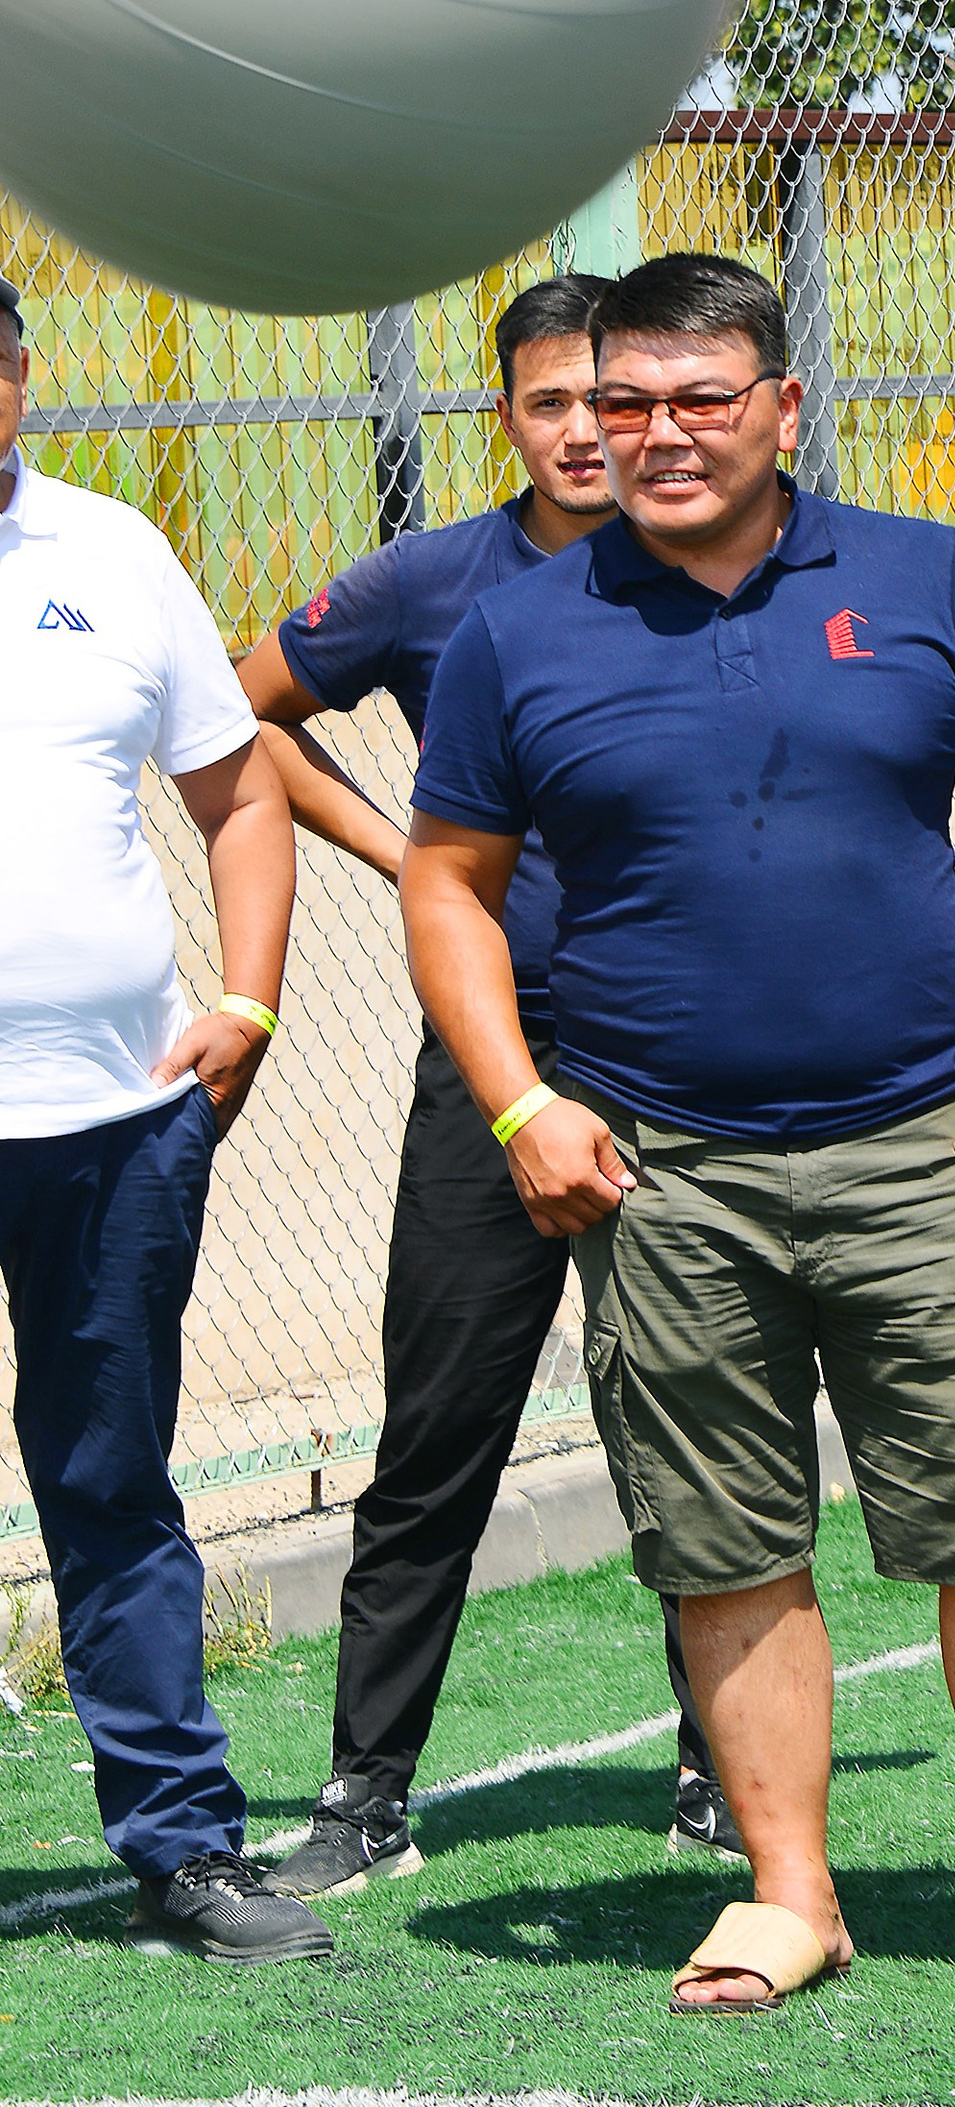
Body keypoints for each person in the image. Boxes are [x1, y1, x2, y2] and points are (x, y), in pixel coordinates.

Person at [401, 251, 955, 2012]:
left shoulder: (928, 576)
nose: (658, 434)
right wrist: (520, 1100)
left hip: (929, 1145)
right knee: (726, 1541)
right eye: (624, 402)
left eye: (702, 399)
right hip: (661, 1171)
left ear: (783, 406)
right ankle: (792, 1894)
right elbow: (449, 881)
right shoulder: (518, 630)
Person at [234, 274, 738, 1896]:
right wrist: (403, 852)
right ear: (505, 414)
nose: (587, 430)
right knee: (439, 1428)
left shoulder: (711, 565)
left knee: (695, 1418)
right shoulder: (429, 582)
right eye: (551, 402)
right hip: (497, 1063)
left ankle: (724, 1772)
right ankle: (364, 1796)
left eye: (611, 397)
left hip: (684, 1060)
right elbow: (241, 711)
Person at [0, 270, 330, 1965]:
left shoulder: (115, 551)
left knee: (113, 1478)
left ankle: (183, 1846)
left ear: (20, 375)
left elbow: (240, 791)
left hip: (111, 1123)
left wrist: (249, 999)